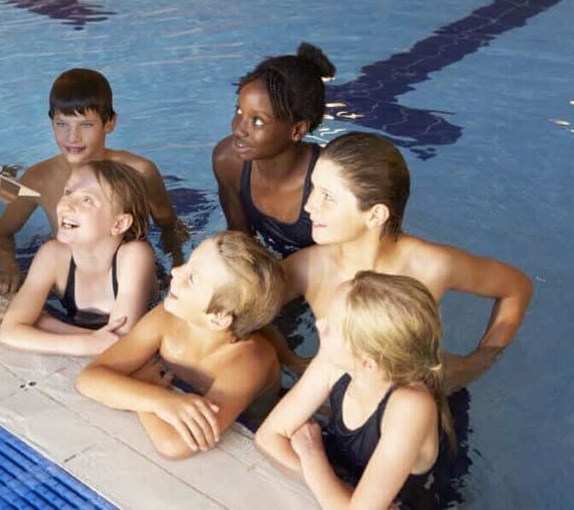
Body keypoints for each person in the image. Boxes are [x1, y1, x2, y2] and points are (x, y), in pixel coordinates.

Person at [281, 132, 533, 390]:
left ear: (375, 215)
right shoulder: (307, 269)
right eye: (312, 187)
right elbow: (246, 310)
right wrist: (293, 361)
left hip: (421, 399)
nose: (310, 205)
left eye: (328, 196)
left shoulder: (430, 266)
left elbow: (517, 288)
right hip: (335, 404)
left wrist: (479, 362)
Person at [75, 230, 282, 459]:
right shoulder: (166, 318)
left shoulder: (247, 363)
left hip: (249, 427)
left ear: (218, 317)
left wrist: (145, 388)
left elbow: (175, 445)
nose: (175, 271)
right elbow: (88, 378)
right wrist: (158, 399)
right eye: (188, 263)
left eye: (192, 279)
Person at [255, 272, 453, 509]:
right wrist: (336, 491)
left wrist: (311, 454)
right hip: (344, 473)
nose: (319, 324)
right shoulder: (333, 361)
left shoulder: (410, 407)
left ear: (367, 362)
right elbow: (267, 438)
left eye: (331, 328)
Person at [0, 68, 186, 294]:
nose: (73, 137)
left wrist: (178, 269)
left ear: (110, 123)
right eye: (62, 124)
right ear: (51, 122)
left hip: (131, 277)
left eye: (86, 125)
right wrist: (8, 267)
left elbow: (170, 228)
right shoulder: (39, 179)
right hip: (75, 283)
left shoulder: (140, 172)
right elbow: (0, 233)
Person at [0, 160, 155, 355]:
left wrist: (50, 325)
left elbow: (121, 346)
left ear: (119, 223)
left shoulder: (135, 256)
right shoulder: (52, 255)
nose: (67, 205)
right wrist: (87, 343)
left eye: (87, 200)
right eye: (68, 192)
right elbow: (8, 333)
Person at [212, 42, 336, 258]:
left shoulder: (330, 180)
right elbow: (241, 248)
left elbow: (345, 262)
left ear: (297, 130)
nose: (239, 129)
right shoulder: (228, 161)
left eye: (258, 121)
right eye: (239, 110)